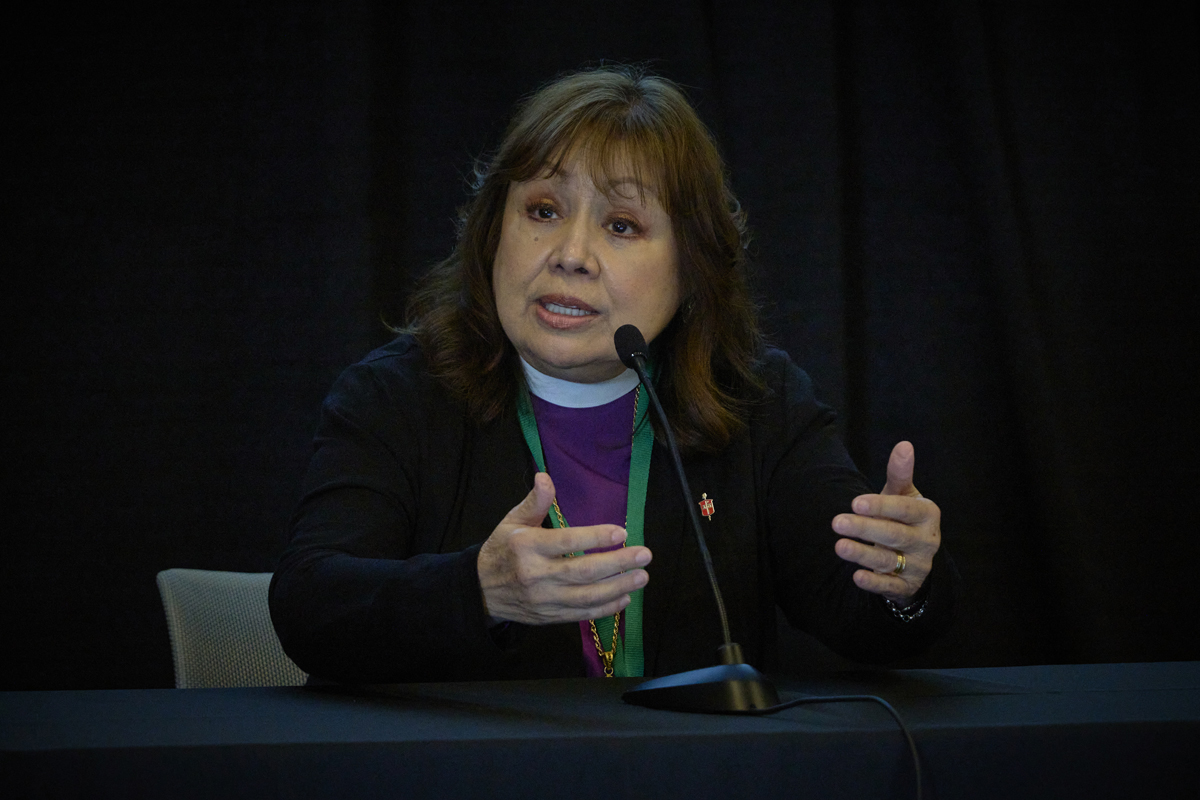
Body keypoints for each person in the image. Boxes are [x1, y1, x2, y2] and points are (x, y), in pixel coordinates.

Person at [269, 65, 957, 684]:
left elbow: (856, 617)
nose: (571, 255)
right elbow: (311, 604)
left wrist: (901, 575)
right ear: (491, 234)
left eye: (622, 225)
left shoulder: (756, 403)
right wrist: (477, 589)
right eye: (543, 210)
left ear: (692, 268)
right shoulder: (396, 397)